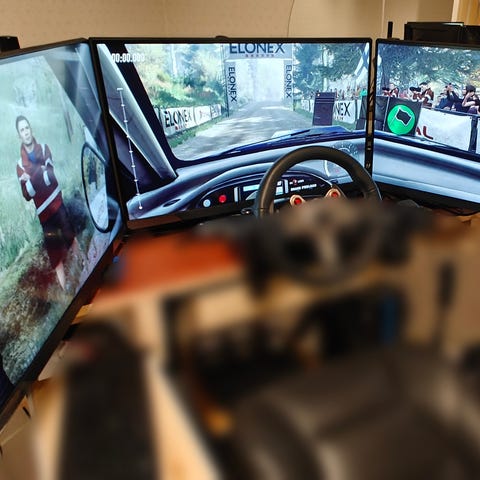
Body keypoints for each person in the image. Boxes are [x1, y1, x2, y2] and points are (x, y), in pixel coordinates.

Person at [15, 115, 79, 291]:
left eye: (27, 128)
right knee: (56, 259)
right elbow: (27, 195)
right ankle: (66, 293)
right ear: (19, 135)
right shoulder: (19, 165)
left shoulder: (44, 149)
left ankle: (85, 267)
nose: (26, 132)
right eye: (22, 130)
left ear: (31, 130)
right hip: (44, 216)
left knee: (72, 240)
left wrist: (31, 178)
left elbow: (50, 177)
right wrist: (39, 172)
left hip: (57, 205)